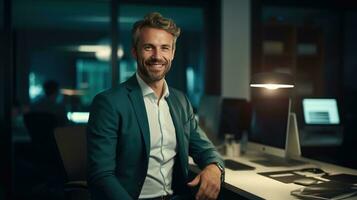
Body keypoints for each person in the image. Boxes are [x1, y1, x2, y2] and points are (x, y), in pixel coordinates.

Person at [87, 12, 225, 200]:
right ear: (135, 52)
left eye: (165, 48)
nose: (157, 56)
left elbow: (206, 149)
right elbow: (101, 175)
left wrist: (214, 168)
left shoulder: (181, 101)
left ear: (173, 53)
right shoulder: (109, 103)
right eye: (148, 48)